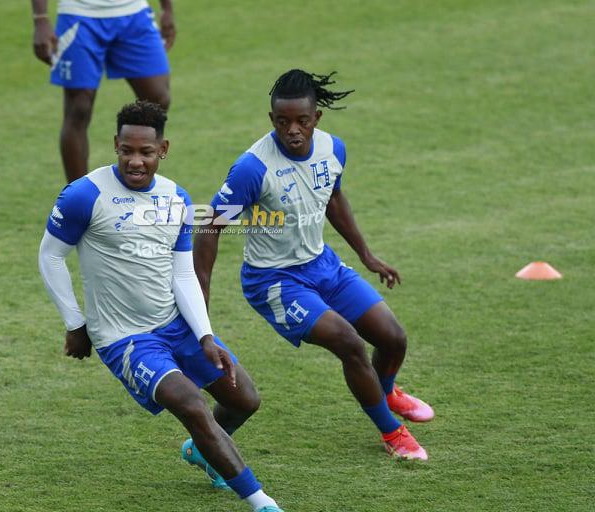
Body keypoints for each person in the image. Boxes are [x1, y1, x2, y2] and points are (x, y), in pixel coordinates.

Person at [38, 101, 284, 512]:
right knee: (192, 405)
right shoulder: (86, 194)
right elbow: (49, 256)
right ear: (115, 145)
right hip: (124, 338)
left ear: (163, 149)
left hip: (173, 324)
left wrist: (205, 336)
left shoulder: (176, 199)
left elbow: (183, 274)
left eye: (146, 152)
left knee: (245, 399)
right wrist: (75, 324)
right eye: (127, 151)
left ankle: (204, 451)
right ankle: (262, 502)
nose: (136, 161)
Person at [193, 69, 434, 461]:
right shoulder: (253, 169)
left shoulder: (333, 149)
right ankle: (394, 435)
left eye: (302, 121)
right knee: (350, 344)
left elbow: (333, 198)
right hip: (274, 281)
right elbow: (209, 228)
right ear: (272, 119)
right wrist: (202, 313)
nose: (293, 130)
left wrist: (366, 255)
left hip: (323, 266)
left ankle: (386, 392)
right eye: (282, 121)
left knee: (393, 338)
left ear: (316, 117)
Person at [31, 0, 175, 182]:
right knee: (78, 108)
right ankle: (78, 199)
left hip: (134, 11)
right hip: (79, 13)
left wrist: (167, 9)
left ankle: (141, 182)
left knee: (158, 97)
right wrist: (40, 18)